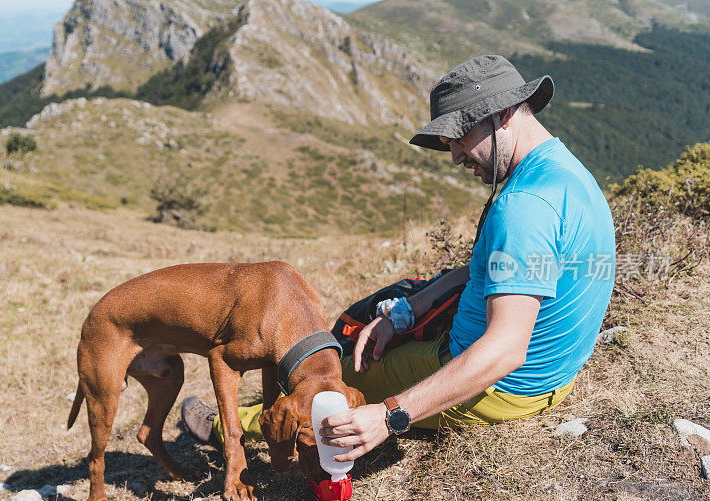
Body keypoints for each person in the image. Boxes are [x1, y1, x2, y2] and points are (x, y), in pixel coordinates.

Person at [181, 55, 615, 466]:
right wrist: (408, 311)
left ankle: (226, 425)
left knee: (328, 392)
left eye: (460, 138)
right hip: (554, 377)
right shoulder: (563, 171)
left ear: (503, 114)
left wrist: (391, 416)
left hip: (503, 386)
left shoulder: (524, 207)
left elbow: (505, 350)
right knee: (359, 349)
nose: (456, 157)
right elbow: (494, 269)